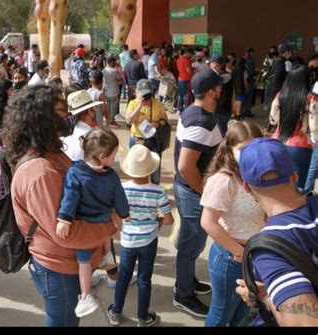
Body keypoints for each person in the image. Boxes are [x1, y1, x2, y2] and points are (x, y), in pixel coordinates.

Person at [3, 85, 119, 327]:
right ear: (42, 116)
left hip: (65, 262)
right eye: (61, 110)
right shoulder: (40, 171)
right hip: (59, 268)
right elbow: (67, 233)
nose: (68, 115)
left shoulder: (49, 152)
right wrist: (110, 225)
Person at [235, 138, 318, 327]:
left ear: (247, 187)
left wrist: (266, 297)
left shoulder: (270, 248)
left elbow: (305, 323)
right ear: (295, 176)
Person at [56, 128, 129, 318]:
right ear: (103, 156)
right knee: (103, 237)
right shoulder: (111, 176)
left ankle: (86, 294)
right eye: (113, 156)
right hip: (103, 221)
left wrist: (64, 219)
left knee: (84, 262)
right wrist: (124, 213)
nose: (114, 160)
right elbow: (119, 198)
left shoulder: (75, 172)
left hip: (84, 223)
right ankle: (104, 260)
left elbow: (70, 197)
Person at [200, 121, 265, 326]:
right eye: (242, 149)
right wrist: (241, 252)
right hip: (230, 258)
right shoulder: (224, 180)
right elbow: (208, 223)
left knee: (242, 312)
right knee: (221, 314)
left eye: (253, 148)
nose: (247, 154)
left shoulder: (255, 172)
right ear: (229, 149)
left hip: (251, 255)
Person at [173, 68, 224, 318]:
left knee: (192, 244)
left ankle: (187, 281)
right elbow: (185, 166)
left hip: (190, 191)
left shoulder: (195, 111)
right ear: (212, 91)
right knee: (190, 245)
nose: (222, 90)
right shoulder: (201, 122)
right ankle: (182, 294)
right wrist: (204, 192)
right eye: (219, 86)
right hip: (193, 193)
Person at [107, 144, 174, 327]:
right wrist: (157, 221)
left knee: (124, 277)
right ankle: (143, 318)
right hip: (149, 241)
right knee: (145, 279)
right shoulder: (159, 191)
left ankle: (115, 312)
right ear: (150, 169)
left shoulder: (121, 189)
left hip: (128, 240)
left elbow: (114, 212)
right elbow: (169, 220)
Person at [269, 65, 313, 192]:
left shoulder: (280, 95)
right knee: (298, 185)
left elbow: (273, 119)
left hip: (278, 142)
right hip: (300, 145)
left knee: (278, 183)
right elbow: (314, 125)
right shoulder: (310, 98)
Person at [125, 79, 168, 184]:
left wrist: (157, 124)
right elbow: (129, 121)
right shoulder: (133, 104)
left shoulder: (158, 104)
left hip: (154, 140)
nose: (146, 97)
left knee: (155, 170)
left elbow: (165, 120)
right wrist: (139, 107)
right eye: (143, 94)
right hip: (137, 140)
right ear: (137, 92)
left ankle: (155, 190)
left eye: (148, 94)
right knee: (138, 173)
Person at [62, 90, 102, 162]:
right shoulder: (91, 136)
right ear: (89, 111)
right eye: (93, 109)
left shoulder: (72, 133)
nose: (95, 111)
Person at [102, 56, 122, 128]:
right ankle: (112, 121)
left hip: (106, 91)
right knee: (113, 107)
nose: (115, 63)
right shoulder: (114, 71)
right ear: (111, 62)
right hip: (114, 91)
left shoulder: (104, 70)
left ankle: (108, 120)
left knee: (108, 106)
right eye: (114, 62)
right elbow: (119, 79)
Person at [176, 48, 194, 113]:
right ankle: (186, 109)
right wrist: (194, 70)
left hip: (180, 79)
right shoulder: (186, 60)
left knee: (180, 95)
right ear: (187, 53)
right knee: (187, 95)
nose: (191, 56)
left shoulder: (178, 59)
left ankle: (179, 109)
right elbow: (188, 71)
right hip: (187, 80)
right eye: (191, 54)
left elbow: (179, 68)